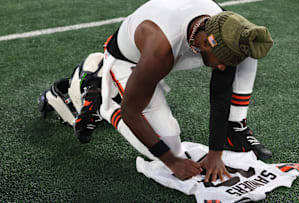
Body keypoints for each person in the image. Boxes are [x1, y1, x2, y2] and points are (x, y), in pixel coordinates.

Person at [39, 0, 274, 182]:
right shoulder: (159, 50)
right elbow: (132, 112)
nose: (223, 67)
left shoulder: (221, 27)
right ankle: (102, 96)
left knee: (245, 56)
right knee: (167, 142)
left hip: (180, 43)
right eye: (221, 60)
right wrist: (171, 161)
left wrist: (215, 152)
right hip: (129, 59)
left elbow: (220, 93)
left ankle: (235, 127)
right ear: (205, 44)